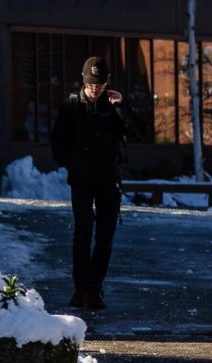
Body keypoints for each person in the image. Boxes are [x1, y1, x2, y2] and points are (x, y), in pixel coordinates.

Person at [51, 56, 139, 310]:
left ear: (107, 82)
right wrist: (70, 163)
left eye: (99, 85)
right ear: (83, 80)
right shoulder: (72, 105)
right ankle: (80, 288)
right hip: (81, 179)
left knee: (105, 237)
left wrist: (122, 106)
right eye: (91, 85)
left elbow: (138, 131)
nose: (95, 89)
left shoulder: (114, 105)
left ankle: (94, 289)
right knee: (82, 233)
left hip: (108, 179)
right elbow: (58, 141)